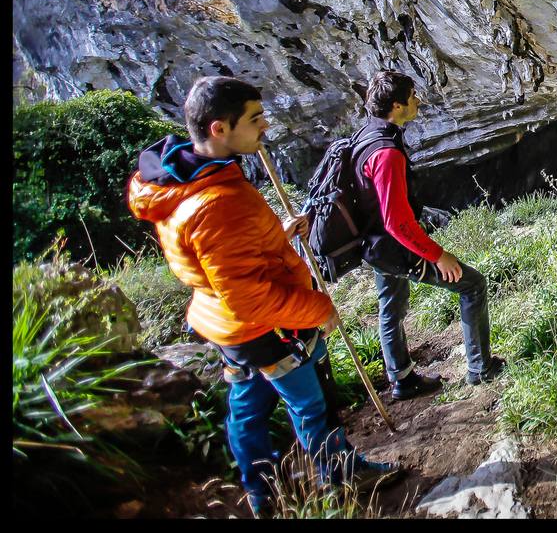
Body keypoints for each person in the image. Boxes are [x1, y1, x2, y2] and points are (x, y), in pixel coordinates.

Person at [127, 76, 398, 518]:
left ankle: (261, 493)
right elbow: (248, 296)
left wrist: (277, 236)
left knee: (248, 405)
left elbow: (228, 258)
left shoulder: (182, 177)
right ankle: (342, 476)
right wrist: (318, 308)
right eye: (255, 119)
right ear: (219, 128)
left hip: (225, 326)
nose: (265, 127)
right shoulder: (216, 204)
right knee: (310, 401)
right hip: (264, 327)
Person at [350, 70, 504, 400]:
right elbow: (398, 222)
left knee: (390, 306)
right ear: (397, 104)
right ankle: (480, 367)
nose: (418, 100)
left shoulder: (367, 135)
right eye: (413, 96)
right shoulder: (386, 154)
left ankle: (402, 379)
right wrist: (438, 255)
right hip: (392, 245)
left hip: (373, 244)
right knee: (471, 284)